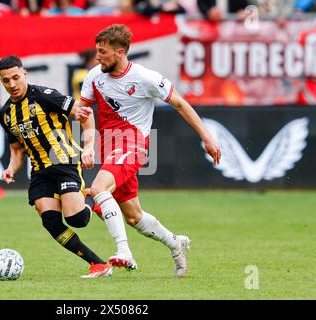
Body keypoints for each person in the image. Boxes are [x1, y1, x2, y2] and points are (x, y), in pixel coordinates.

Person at [77, 24, 221, 277]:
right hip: (109, 148)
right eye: (97, 51)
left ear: (120, 52)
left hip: (132, 144)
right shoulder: (94, 76)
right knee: (133, 217)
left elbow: (180, 103)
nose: (98, 56)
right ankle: (175, 243)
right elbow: (84, 112)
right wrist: (88, 144)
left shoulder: (145, 78)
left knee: (99, 190)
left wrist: (207, 138)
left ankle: (124, 252)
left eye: (103, 52)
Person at [0, 55, 112, 279]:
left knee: (77, 219)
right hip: (40, 172)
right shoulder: (5, 114)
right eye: (5, 80)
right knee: (50, 221)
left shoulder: (43, 95)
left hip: (64, 162)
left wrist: (89, 147)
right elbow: (17, 150)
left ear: (24, 74)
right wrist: (11, 168)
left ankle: (91, 201)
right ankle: (98, 264)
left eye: (15, 78)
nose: (12, 84)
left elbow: (85, 115)